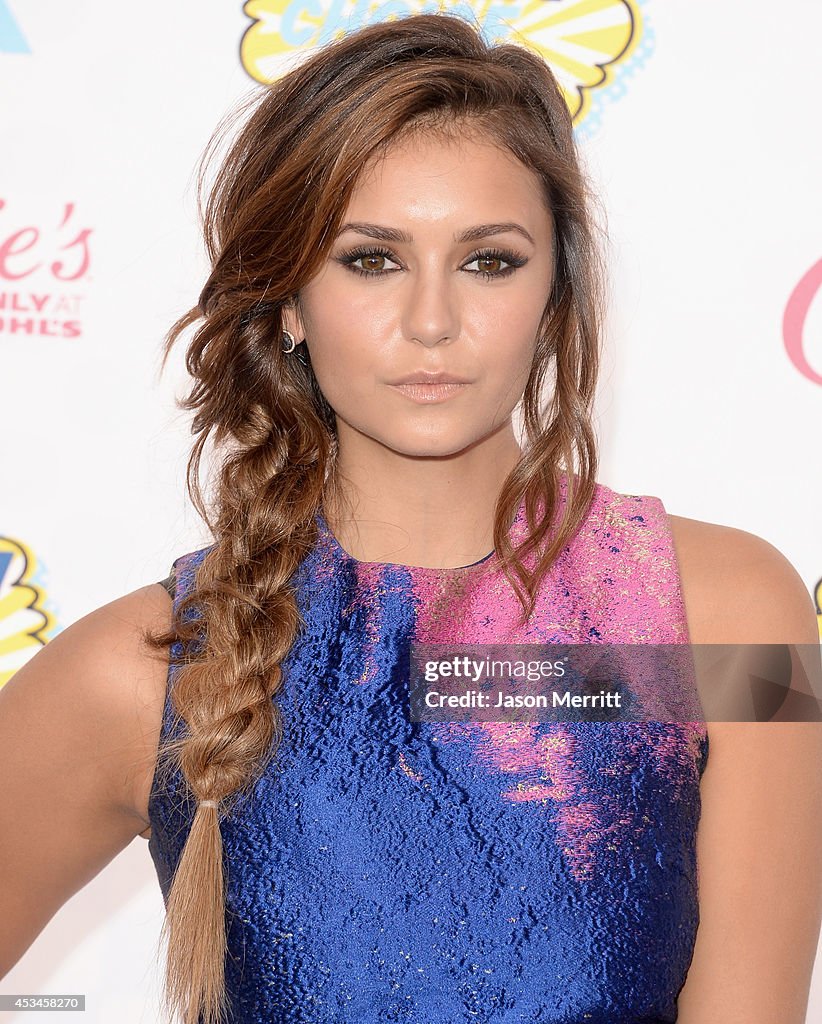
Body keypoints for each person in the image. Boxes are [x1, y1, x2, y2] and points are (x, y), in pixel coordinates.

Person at [1, 11, 820, 1024]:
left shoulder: (727, 622)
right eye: (370, 259)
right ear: (289, 298)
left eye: (489, 261)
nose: (431, 321)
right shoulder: (155, 666)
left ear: (555, 291)